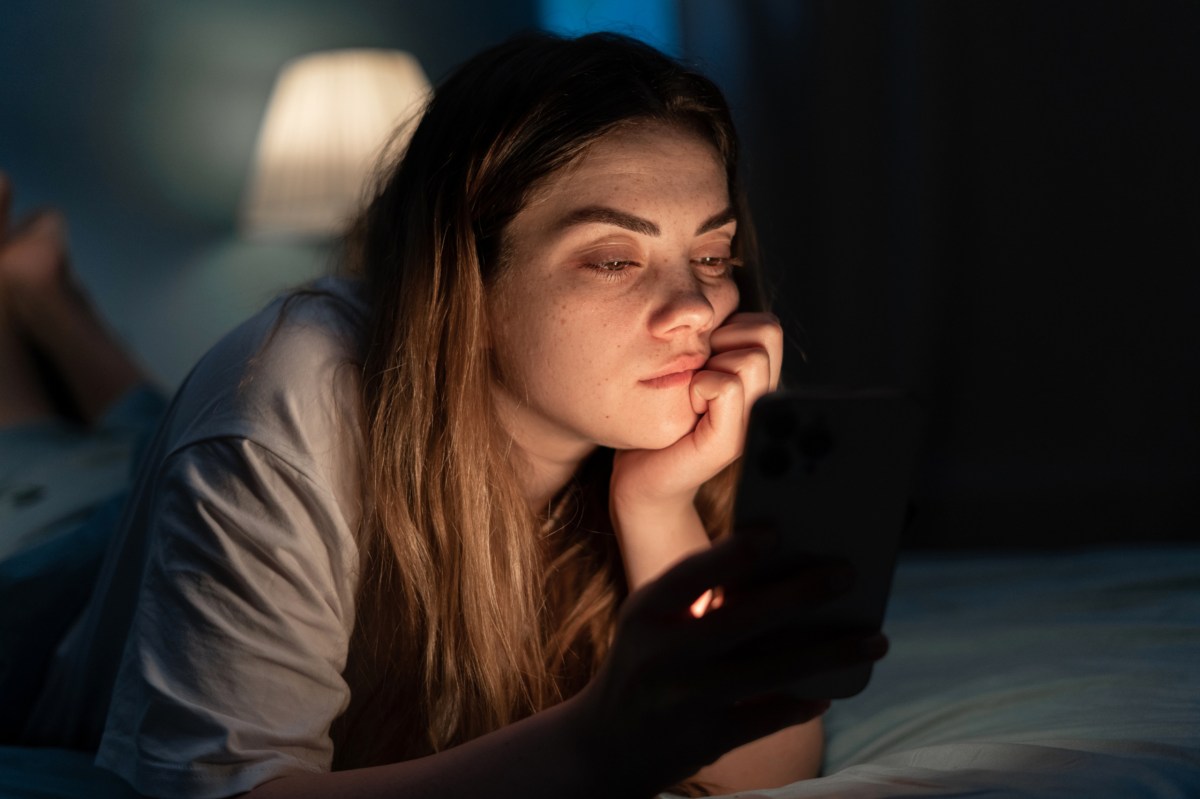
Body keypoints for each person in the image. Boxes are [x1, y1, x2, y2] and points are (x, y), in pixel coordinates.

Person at [6, 32, 888, 799]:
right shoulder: (286, 399)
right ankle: (32, 310)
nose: (698, 307)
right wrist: (600, 739)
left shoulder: (643, 436)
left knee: (135, 440)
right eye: (614, 259)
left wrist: (658, 506)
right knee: (58, 467)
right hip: (43, 565)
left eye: (710, 251)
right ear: (466, 275)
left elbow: (763, 772)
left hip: (154, 478)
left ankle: (46, 295)